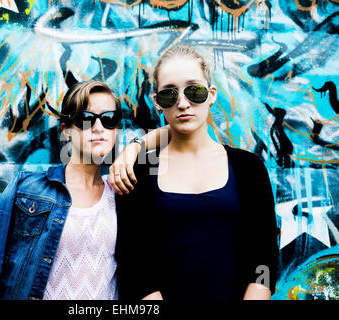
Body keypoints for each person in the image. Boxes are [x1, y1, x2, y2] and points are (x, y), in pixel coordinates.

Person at [111, 45, 280, 300]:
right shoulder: (139, 171)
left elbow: (265, 259)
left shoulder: (249, 168)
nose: (182, 103)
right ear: (157, 102)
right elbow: (134, 267)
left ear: (211, 94)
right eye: (169, 94)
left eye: (194, 91)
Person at [0, 80, 166, 300]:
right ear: (66, 131)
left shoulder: (122, 194)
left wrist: (136, 146)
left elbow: (182, 129)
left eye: (109, 119)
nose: (98, 127)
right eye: (85, 119)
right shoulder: (26, 189)